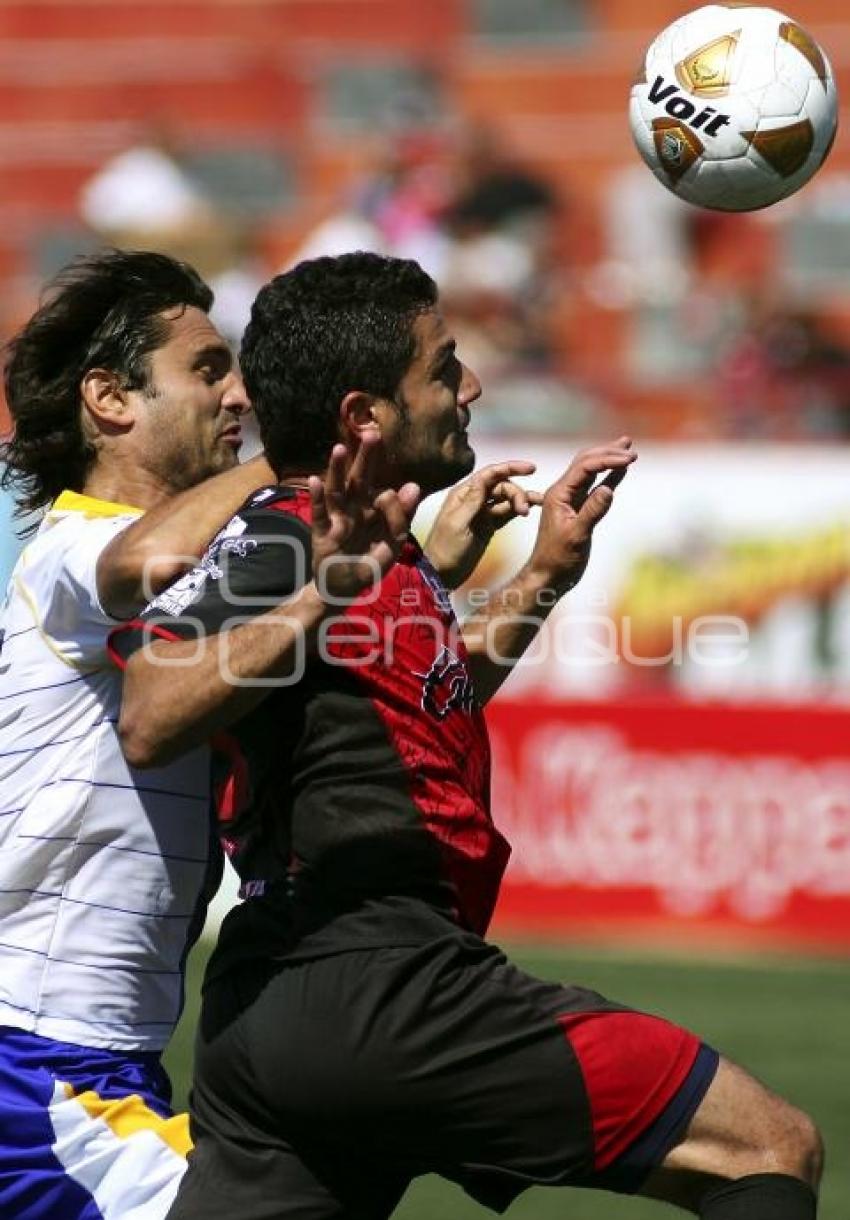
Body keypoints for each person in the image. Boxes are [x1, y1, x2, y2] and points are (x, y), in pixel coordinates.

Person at [113, 253, 822, 1220]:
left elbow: (417, 698)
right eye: (444, 369)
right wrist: (331, 586)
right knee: (766, 1147)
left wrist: (541, 578)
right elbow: (150, 715)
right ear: (366, 416)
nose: (472, 387)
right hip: (384, 976)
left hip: (279, 1007)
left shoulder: (360, 546)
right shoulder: (292, 536)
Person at [0, 248, 531, 1220]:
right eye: (207, 370)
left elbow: (401, 699)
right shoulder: (77, 547)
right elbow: (145, 557)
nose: (237, 390)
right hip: (34, 1061)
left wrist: (509, 586)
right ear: (110, 399)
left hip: (89, 1062)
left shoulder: (207, 591)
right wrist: (291, 449)